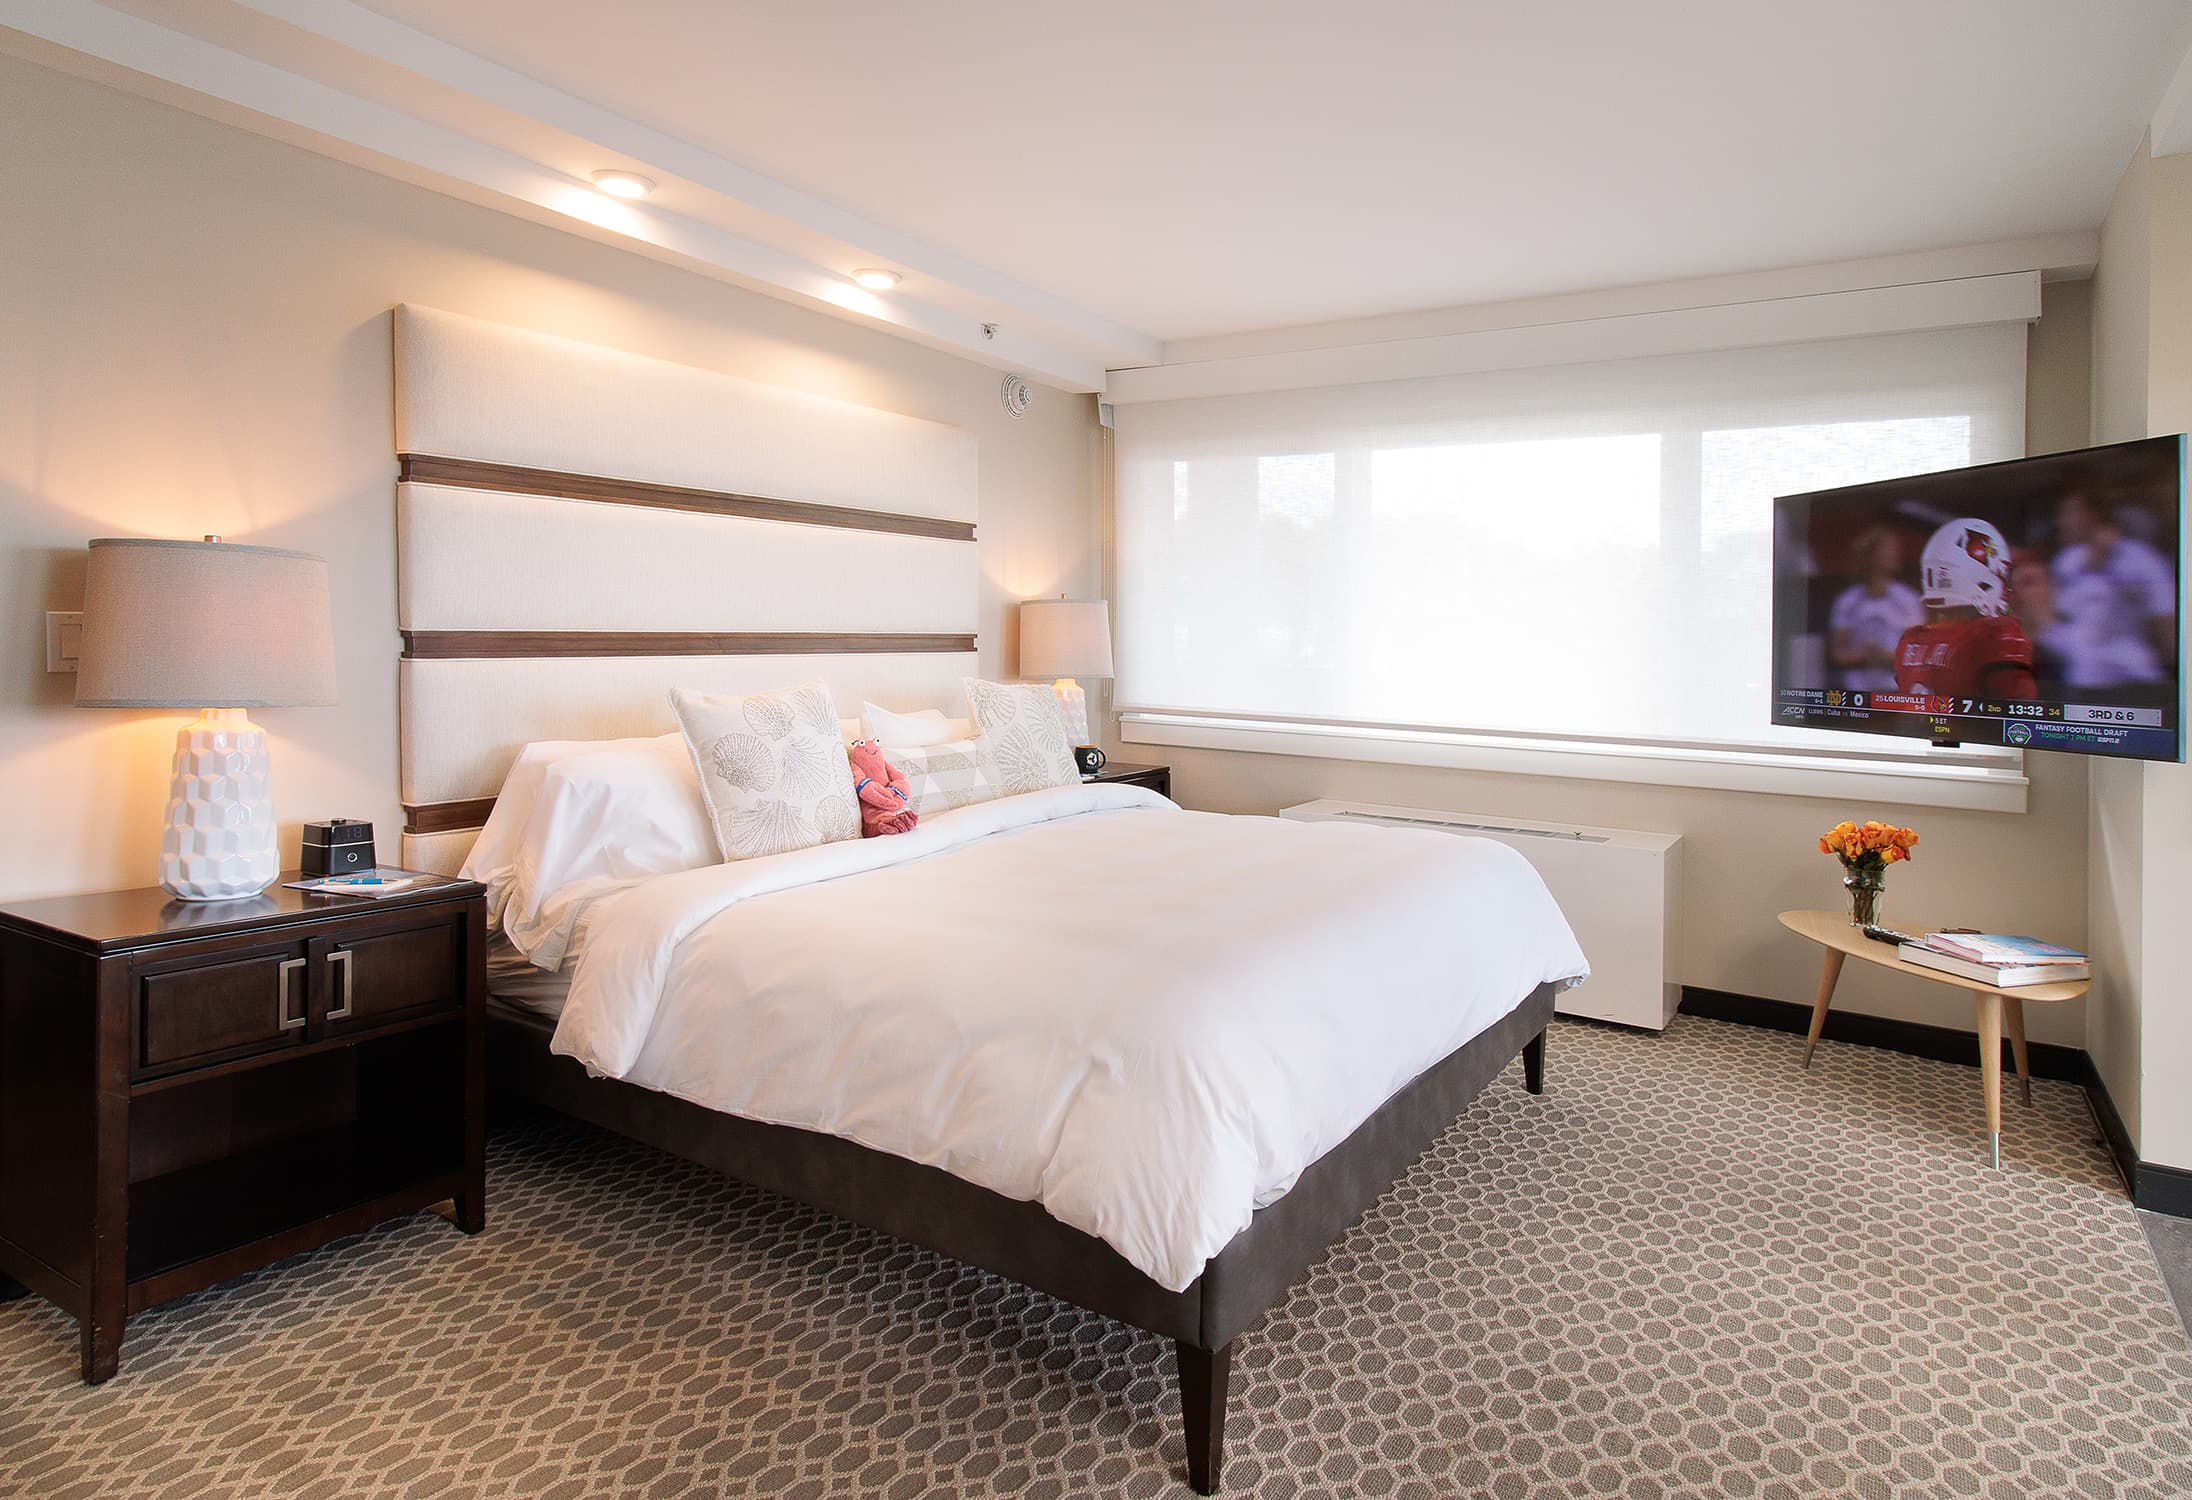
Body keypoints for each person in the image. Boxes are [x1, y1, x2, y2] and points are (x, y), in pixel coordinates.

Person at [2049, 492, 2177, 698]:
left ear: (2091, 515)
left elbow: (2164, 620)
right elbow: (2058, 619)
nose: (2061, 522)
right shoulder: (2066, 561)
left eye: (2068, 514)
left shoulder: (2141, 559)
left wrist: (2177, 684)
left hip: (2131, 683)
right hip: (2080, 684)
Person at [1894, 518, 2036, 701]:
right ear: (1977, 577)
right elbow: (2019, 714)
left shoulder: (1910, 640)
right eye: (1998, 573)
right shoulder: (1996, 636)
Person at [1828, 528, 1924, 692]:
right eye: (1888, 549)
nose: (1894, 554)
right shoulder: (1848, 600)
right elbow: (1838, 654)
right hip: (1856, 694)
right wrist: (1866, 657)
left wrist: (1885, 657)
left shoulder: (1908, 598)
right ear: (1870, 555)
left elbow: (1918, 653)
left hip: (1896, 690)